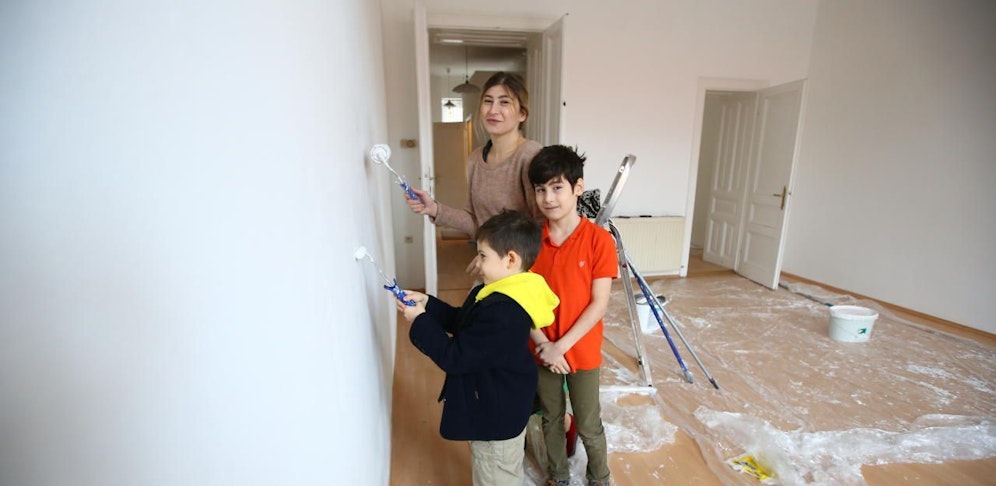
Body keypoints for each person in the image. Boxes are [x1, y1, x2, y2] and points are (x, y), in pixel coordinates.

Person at [397, 210, 560, 486]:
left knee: (496, 475)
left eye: (483, 256)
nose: (477, 262)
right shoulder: (497, 289)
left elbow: (455, 357)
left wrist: (420, 321)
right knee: (499, 472)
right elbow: (463, 322)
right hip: (498, 403)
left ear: (511, 259)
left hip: (496, 419)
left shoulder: (505, 312)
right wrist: (428, 305)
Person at [527, 145, 618, 486]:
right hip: (542, 348)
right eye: (540, 189)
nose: (548, 198)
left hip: (581, 349)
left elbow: (599, 304)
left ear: (578, 188)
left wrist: (560, 347)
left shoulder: (599, 241)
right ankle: (558, 476)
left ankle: (600, 477)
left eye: (557, 187)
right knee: (551, 417)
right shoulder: (530, 241)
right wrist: (545, 346)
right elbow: (524, 300)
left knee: (589, 422)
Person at [406, 72, 542, 274]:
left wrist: (501, 260)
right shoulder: (475, 159)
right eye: (488, 101)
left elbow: (542, 223)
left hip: (523, 270)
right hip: (492, 266)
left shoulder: (530, 155)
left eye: (504, 102)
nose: (493, 110)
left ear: (522, 114)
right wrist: (433, 208)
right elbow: (474, 220)